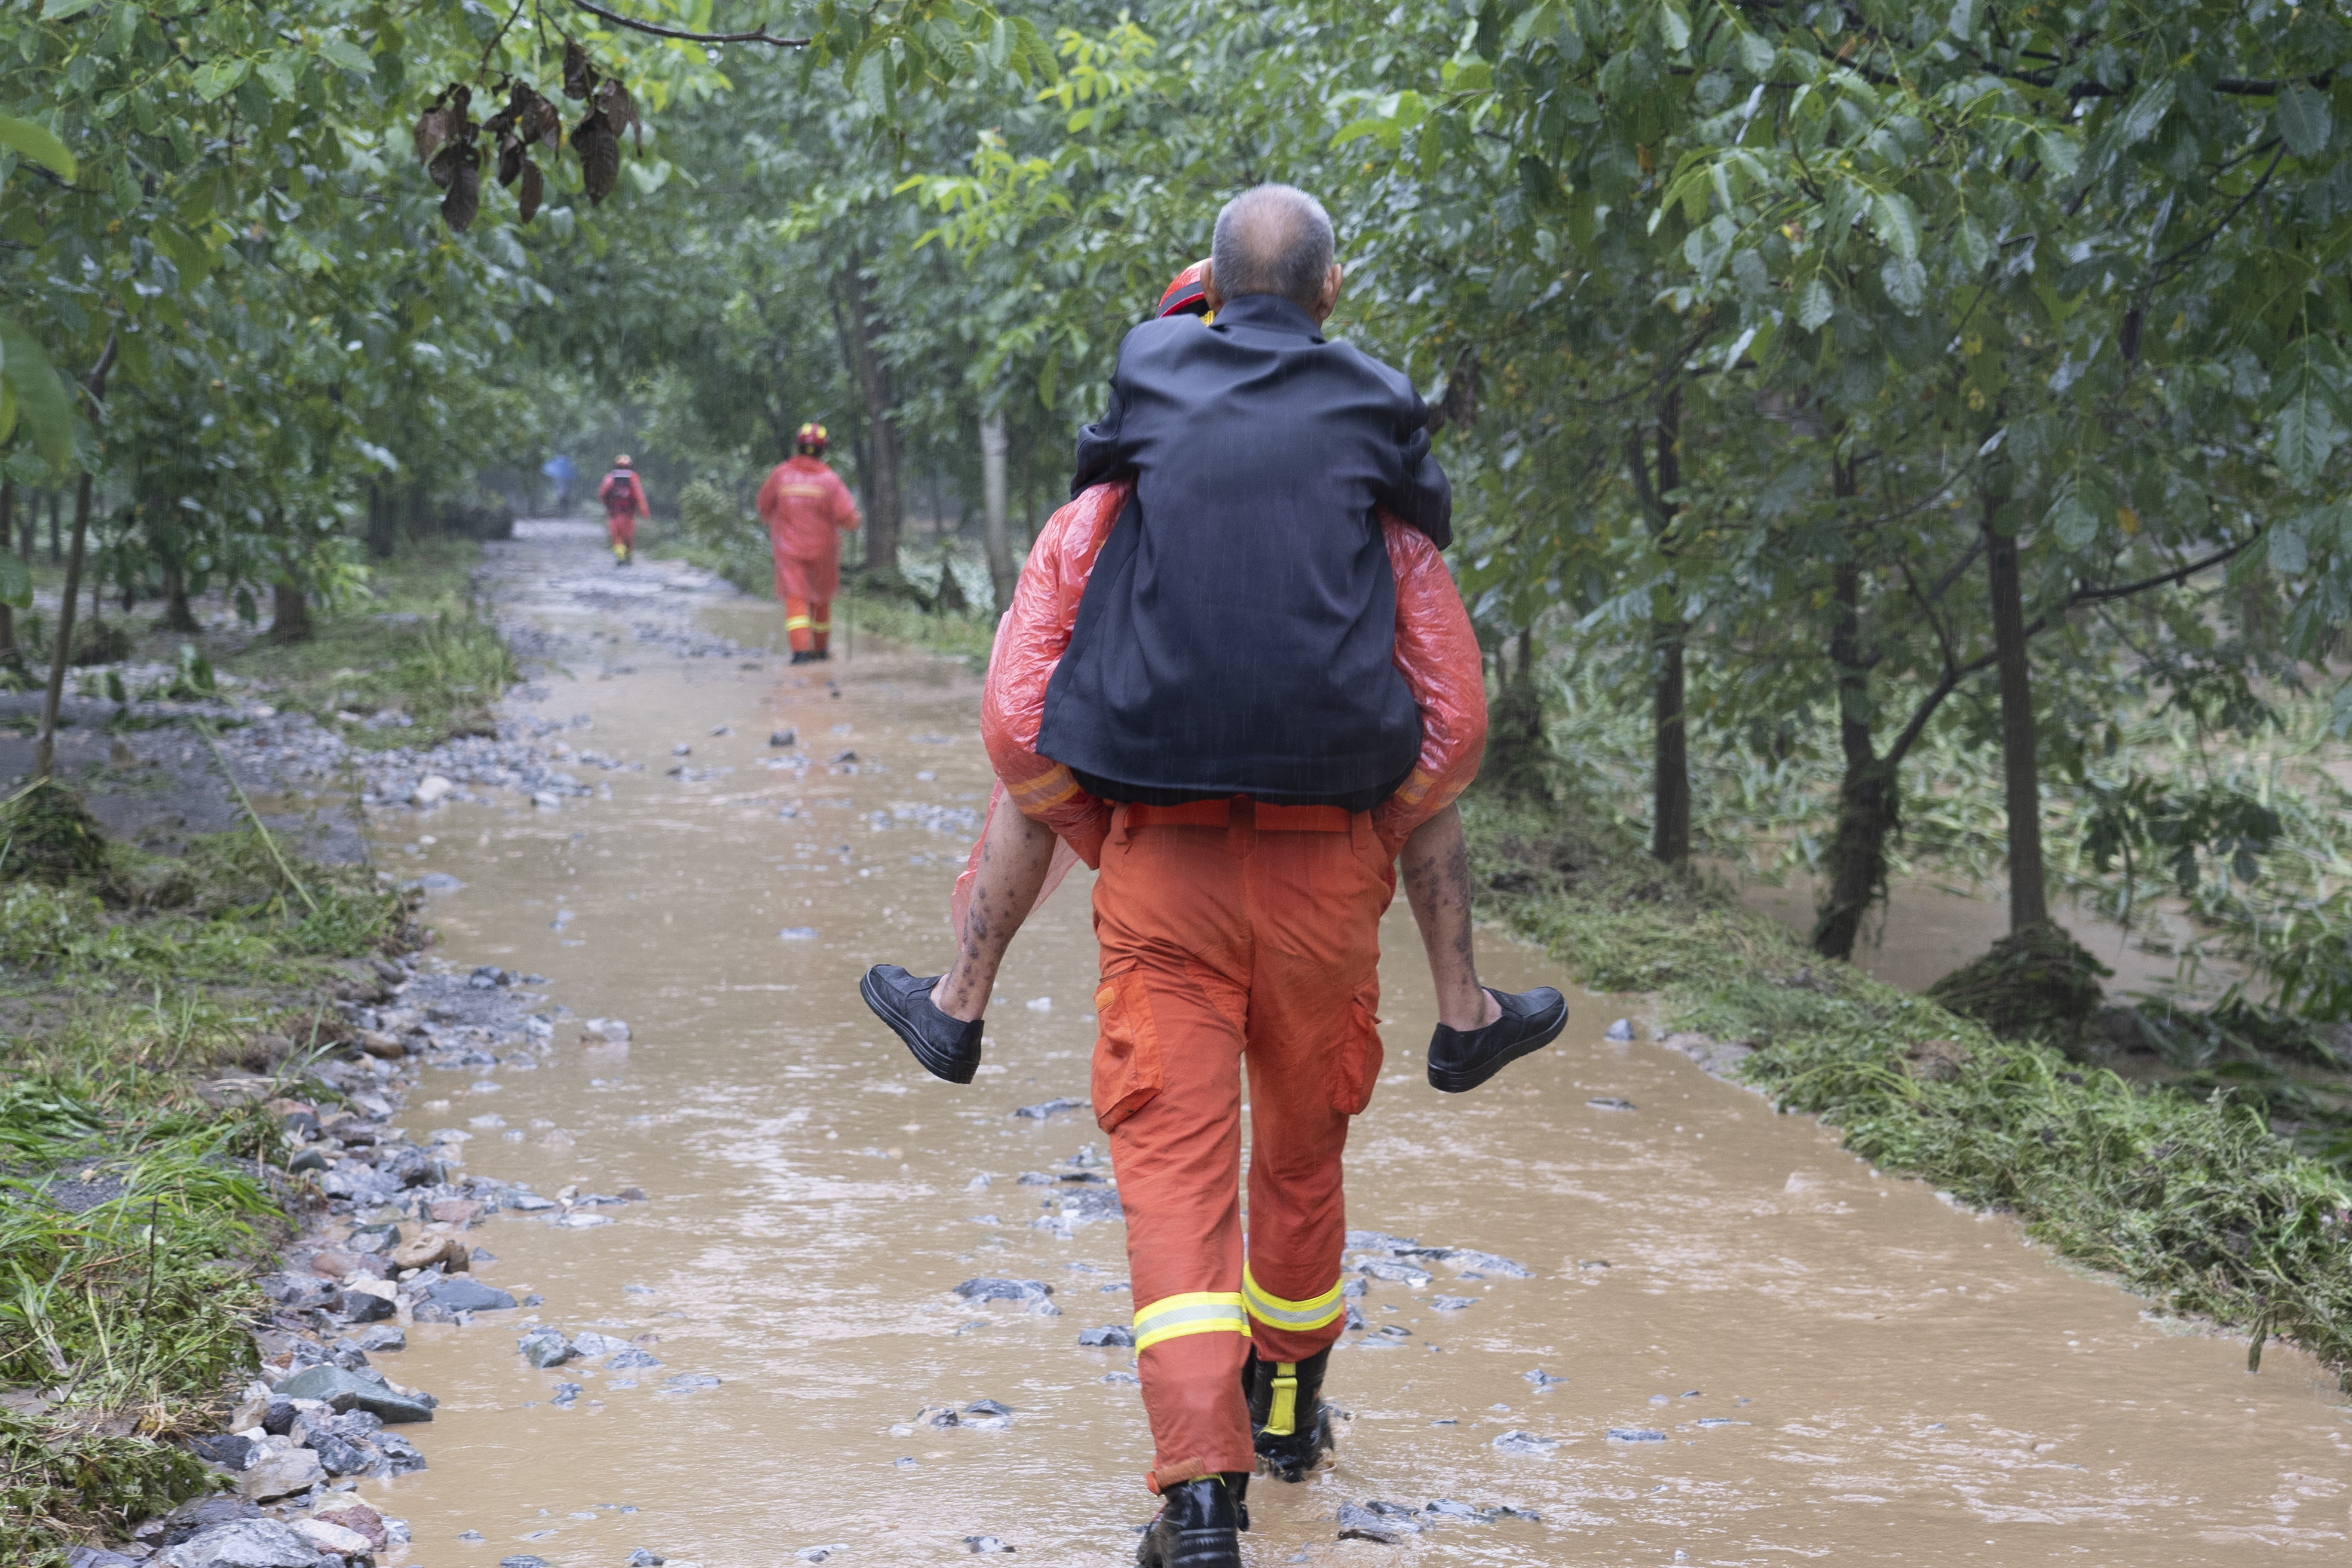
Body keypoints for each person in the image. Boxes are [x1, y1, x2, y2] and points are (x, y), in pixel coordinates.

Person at [860, 189, 1567, 1567]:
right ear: (1323, 302)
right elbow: (1452, 722)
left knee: (1177, 1183)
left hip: (1162, 881)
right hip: (1323, 887)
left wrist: (1102, 832)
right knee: (1300, 1159)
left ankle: (1197, 1499)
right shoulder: (1379, 505)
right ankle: (1290, 1404)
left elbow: (1017, 722)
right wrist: (1374, 833)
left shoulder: (1101, 509)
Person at [757, 422, 862, 663]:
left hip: (789, 551)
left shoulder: (780, 475)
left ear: (799, 447)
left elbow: (764, 506)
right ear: (823, 450)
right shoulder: (830, 480)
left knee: (796, 598)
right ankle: (821, 650)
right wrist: (855, 521)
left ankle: (800, 652)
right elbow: (847, 517)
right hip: (824, 551)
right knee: (821, 598)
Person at [598, 455, 648, 566]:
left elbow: (602, 494)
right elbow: (639, 497)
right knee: (628, 537)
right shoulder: (633, 478)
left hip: (615, 514)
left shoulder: (610, 478)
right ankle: (628, 557)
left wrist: (608, 506)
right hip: (628, 514)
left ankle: (620, 557)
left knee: (616, 536)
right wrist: (644, 511)